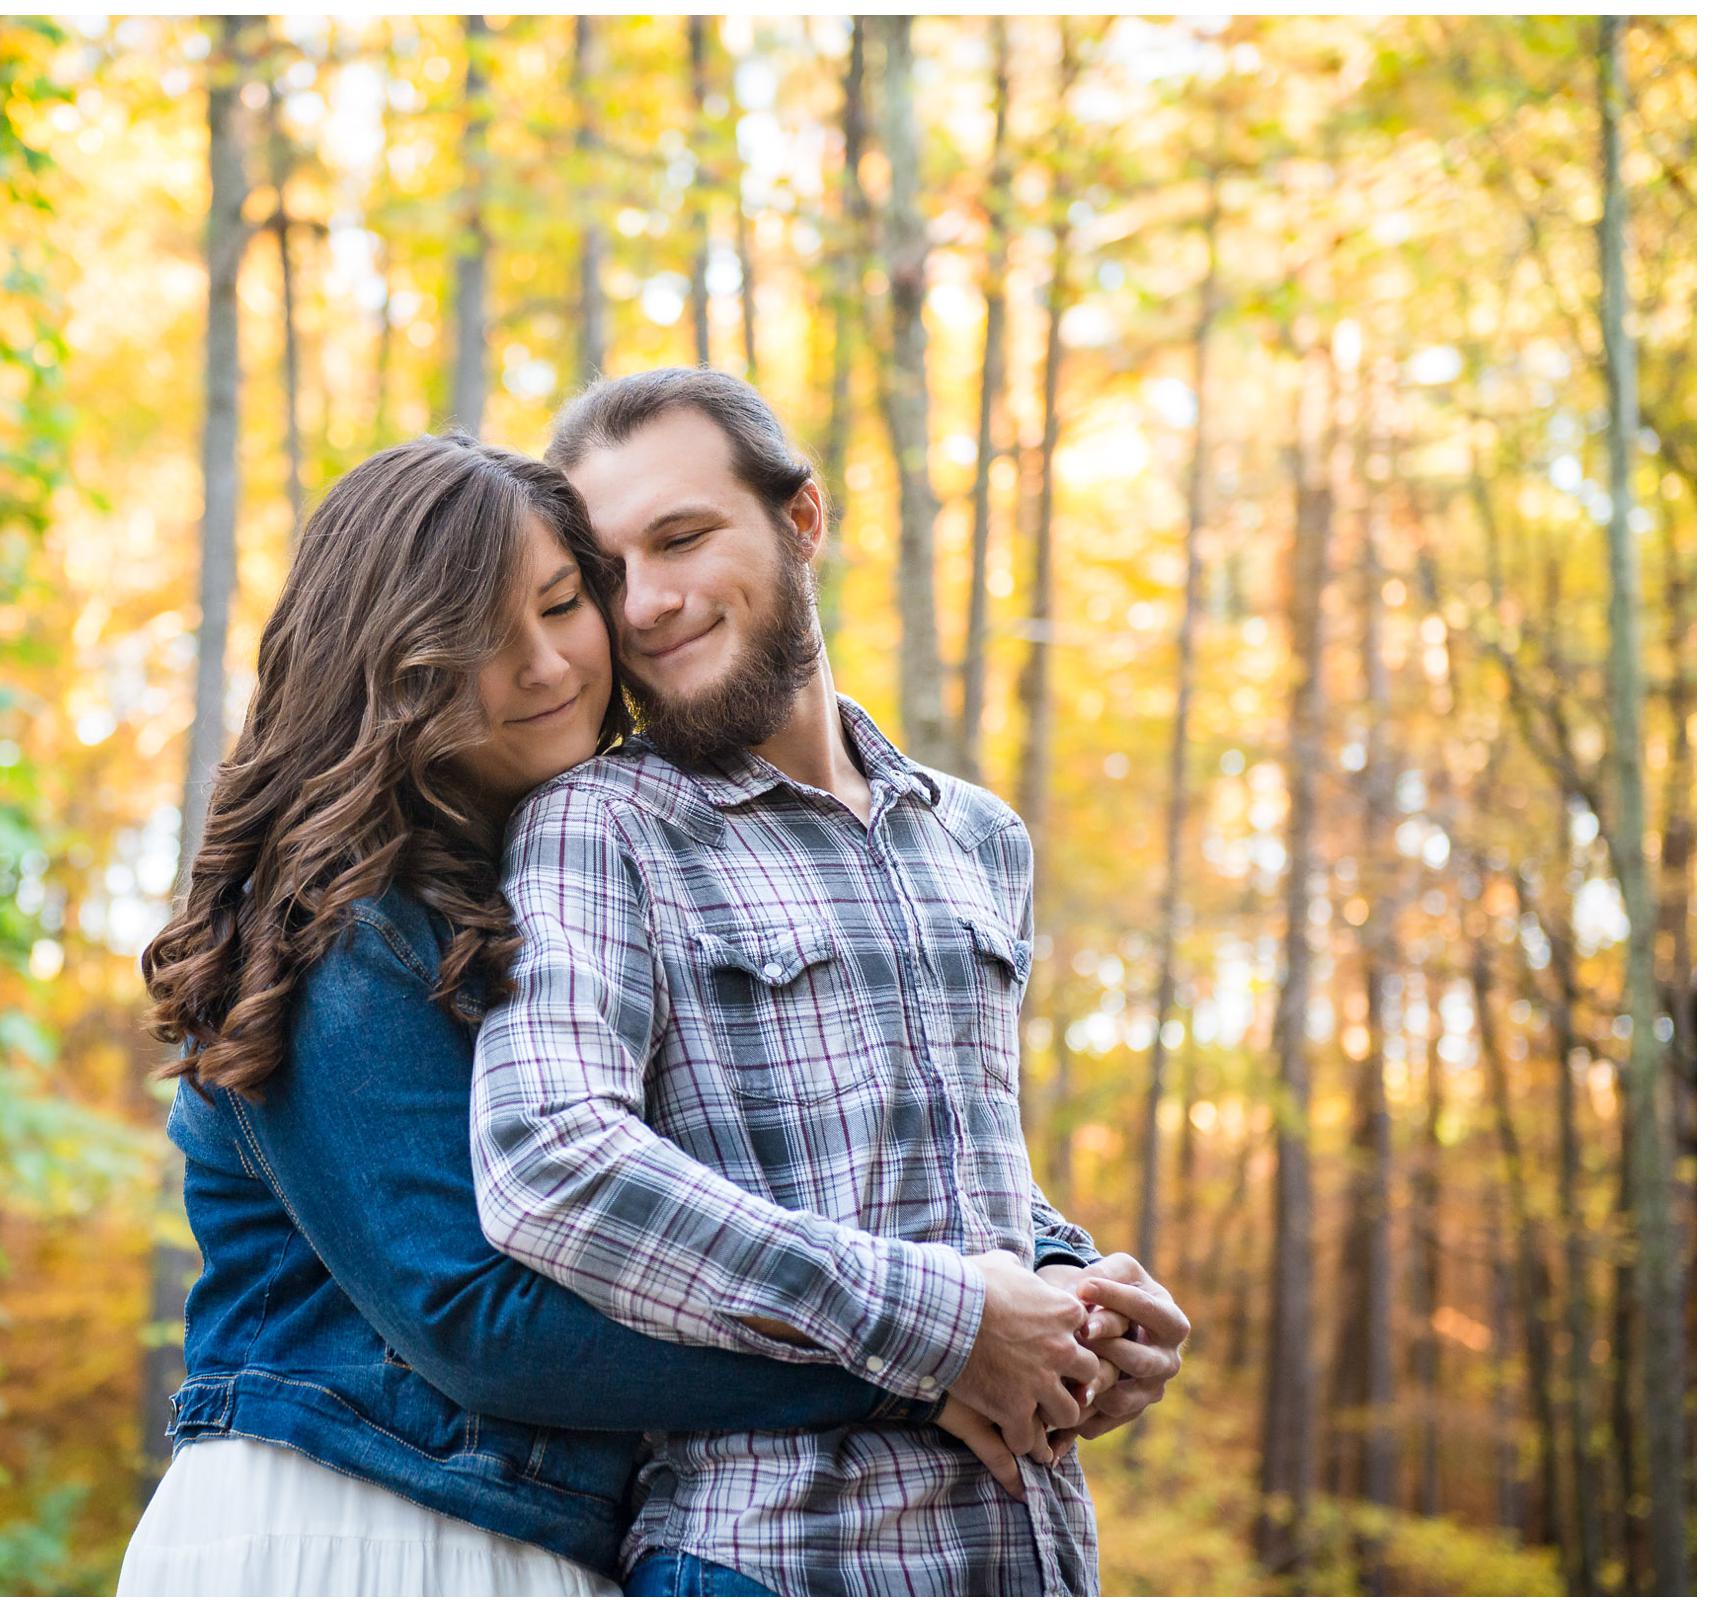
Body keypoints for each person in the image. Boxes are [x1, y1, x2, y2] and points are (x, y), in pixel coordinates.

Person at [120, 435, 1126, 1596]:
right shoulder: (340, 922)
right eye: (481, 644)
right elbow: (476, 1319)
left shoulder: (567, 884)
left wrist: (1062, 1282)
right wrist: (926, 1357)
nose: (547, 666)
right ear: (389, 665)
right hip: (354, 1524)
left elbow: (794, 1179)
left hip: (547, 1537)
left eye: (562, 605)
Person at [471, 367, 1191, 1596]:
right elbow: (549, 1159)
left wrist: (1072, 1293)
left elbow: (946, 1173)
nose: (647, 604)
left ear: (802, 521)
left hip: (1033, 1555)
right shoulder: (601, 826)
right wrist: (953, 1321)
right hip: (770, 1553)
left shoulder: (976, 836)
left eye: (683, 537)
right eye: (609, 573)